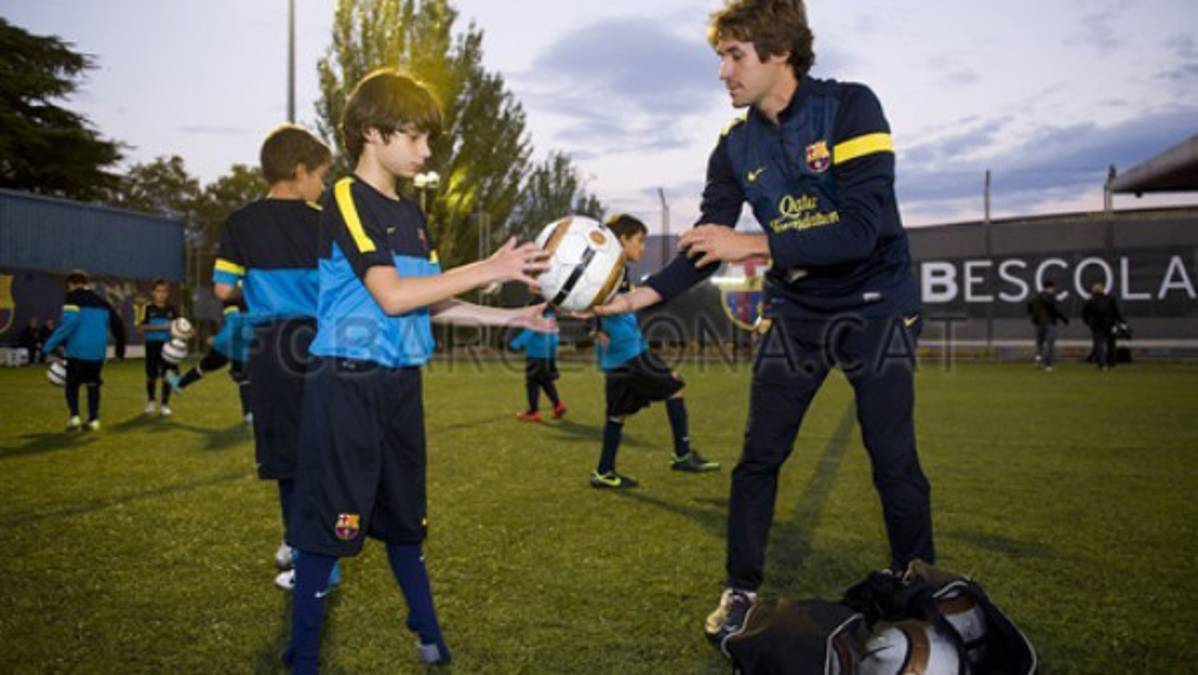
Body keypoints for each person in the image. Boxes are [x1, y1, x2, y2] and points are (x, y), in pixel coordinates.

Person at [591, 0, 934, 645]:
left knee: (892, 457)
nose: (723, 71)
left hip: (875, 305)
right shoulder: (734, 145)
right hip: (798, 312)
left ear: (779, 53)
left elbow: (860, 233)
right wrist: (636, 298)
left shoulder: (853, 107)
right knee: (758, 457)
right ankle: (741, 590)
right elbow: (708, 240)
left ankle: (920, 587)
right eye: (721, 57)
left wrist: (752, 246)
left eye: (735, 55)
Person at [283, 68, 553, 672]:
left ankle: (427, 634)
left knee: (407, 520)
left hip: (401, 383)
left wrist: (514, 319)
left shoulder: (413, 213)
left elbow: (432, 298)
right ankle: (301, 656)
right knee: (328, 529)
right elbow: (392, 295)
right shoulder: (347, 196)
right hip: (347, 381)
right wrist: (489, 265)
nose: (426, 151)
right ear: (374, 134)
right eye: (414, 137)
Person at [212, 123, 334, 588]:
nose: (321, 185)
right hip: (322, 342)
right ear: (300, 171)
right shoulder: (325, 221)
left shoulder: (239, 223)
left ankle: (309, 553)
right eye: (320, 175)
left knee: (285, 453)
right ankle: (307, 546)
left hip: (270, 345)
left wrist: (260, 290)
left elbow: (224, 288)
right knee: (320, 449)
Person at [588, 214, 720, 489]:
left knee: (617, 414)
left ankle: (604, 471)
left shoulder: (610, 269)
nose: (642, 247)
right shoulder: (610, 270)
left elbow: (590, 300)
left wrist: (593, 327)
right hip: (630, 352)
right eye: (639, 240)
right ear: (622, 240)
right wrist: (595, 325)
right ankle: (682, 455)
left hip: (615, 357)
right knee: (675, 387)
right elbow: (591, 299)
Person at [41, 272, 126, 430]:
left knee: (72, 384)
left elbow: (68, 324)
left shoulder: (72, 298)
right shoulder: (102, 302)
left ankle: (74, 417)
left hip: (77, 349)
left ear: (71, 284)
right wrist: (120, 349)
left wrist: (48, 345)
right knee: (93, 384)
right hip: (97, 351)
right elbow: (118, 324)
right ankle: (94, 420)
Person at [165, 299, 253, 421]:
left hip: (227, 345)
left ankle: (180, 384)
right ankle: (248, 413)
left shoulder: (232, 299)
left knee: (206, 366)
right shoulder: (247, 296)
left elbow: (233, 324)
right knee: (243, 377)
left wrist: (217, 340)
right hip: (241, 343)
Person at [510, 307, 567, 421]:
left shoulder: (538, 317)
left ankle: (533, 412)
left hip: (536, 355)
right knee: (545, 381)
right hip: (548, 355)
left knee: (532, 383)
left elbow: (530, 331)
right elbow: (555, 337)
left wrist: (515, 344)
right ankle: (558, 405)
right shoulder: (551, 317)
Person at [138, 279, 180, 416]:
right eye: (158, 291)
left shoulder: (172, 310)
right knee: (151, 375)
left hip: (168, 346)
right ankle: (151, 402)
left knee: (167, 375)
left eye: (163, 291)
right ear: (153, 292)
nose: (161, 294)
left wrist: (182, 330)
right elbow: (140, 328)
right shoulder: (147, 309)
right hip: (152, 346)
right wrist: (159, 327)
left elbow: (180, 326)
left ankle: (165, 404)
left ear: (167, 293)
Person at [1082, 282, 1125, 370]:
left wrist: (1088, 322)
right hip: (1110, 324)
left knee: (1099, 345)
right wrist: (1122, 322)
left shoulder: (1090, 301)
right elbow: (1116, 312)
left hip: (1096, 326)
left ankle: (1102, 364)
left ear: (1093, 291)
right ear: (1103, 289)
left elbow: (1085, 314)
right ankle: (1111, 363)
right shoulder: (1110, 299)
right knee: (1111, 344)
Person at [1027, 280, 1068, 371]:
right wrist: (1064, 319)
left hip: (1038, 323)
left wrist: (1034, 316)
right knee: (1049, 345)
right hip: (1050, 322)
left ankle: (1038, 361)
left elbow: (1029, 307)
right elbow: (1055, 310)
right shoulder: (1051, 297)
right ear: (1051, 287)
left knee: (1039, 344)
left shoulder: (1036, 297)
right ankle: (1048, 365)